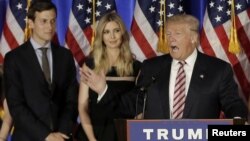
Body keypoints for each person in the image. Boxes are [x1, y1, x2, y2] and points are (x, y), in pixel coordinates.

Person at [135, 14, 248, 119]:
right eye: (168, 34)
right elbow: (136, 100)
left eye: (177, 34)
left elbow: (232, 104)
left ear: (193, 38)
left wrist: (237, 121)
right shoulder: (151, 67)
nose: (171, 38)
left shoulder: (218, 69)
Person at [3, 1, 78, 141]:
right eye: (43, 21)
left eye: (53, 21)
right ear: (31, 23)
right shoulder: (14, 59)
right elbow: (16, 106)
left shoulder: (65, 56)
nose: (50, 27)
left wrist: (61, 132)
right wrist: (46, 136)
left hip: (61, 137)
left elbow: (71, 101)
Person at [77, 12, 141, 141]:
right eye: (106, 32)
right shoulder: (90, 65)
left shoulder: (137, 67)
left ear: (122, 33)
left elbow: (138, 110)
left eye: (116, 30)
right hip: (94, 132)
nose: (112, 36)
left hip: (123, 134)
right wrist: (91, 138)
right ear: (101, 36)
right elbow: (82, 106)